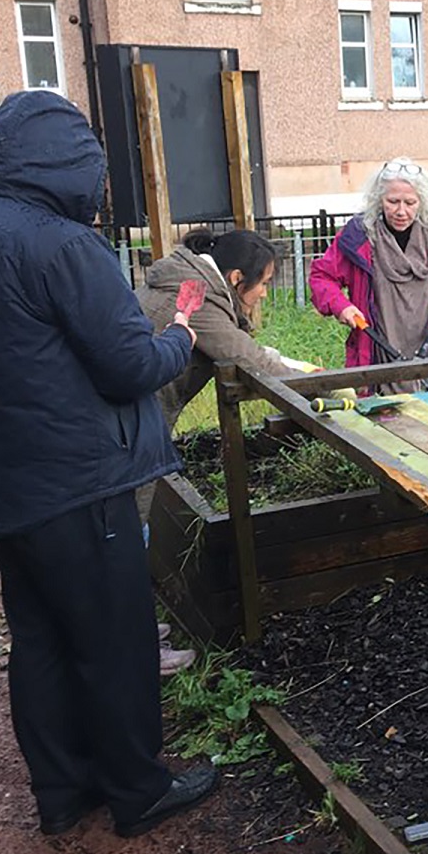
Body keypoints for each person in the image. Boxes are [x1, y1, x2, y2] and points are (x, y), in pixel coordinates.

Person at [0, 89, 218, 838]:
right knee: (115, 641)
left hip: (1, 488)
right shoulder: (61, 244)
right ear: (70, 165)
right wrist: (181, 336)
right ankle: (137, 788)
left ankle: (61, 792)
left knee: (43, 640)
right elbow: (127, 365)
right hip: (80, 484)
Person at [135, 226, 312, 674]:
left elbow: (244, 346)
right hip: (130, 429)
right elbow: (247, 358)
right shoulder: (195, 297)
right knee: (130, 528)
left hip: (132, 422)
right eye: (265, 283)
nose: (266, 294)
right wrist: (314, 383)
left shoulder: (192, 282)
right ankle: (132, 646)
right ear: (236, 279)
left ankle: (130, 620)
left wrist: (290, 362)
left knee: (130, 526)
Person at [308, 157, 428, 392]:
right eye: (392, 201)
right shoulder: (359, 237)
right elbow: (322, 276)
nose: (401, 211)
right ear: (379, 200)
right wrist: (341, 306)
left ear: (422, 201)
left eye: (410, 202)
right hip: (378, 354)